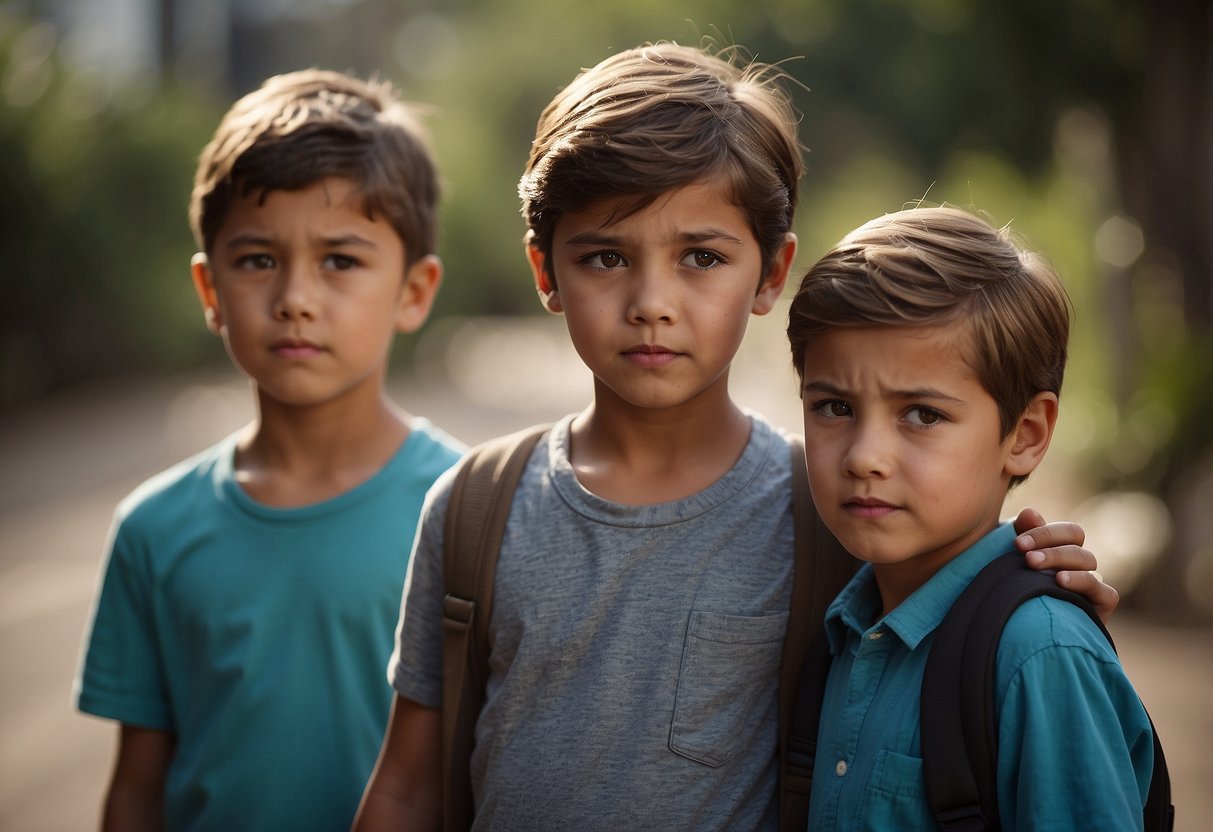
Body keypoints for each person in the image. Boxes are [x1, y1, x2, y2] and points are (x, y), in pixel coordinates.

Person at [354, 44, 1113, 831]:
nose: (652, 302)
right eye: (605, 257)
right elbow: (408, 786)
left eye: (701, 258)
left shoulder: (834, 513)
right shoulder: (477, 507)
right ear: (545, 271)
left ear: (770, 273)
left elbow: (975, 633)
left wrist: (1030, 585)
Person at [74, 70, 465, 830]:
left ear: (414, 291)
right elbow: (136, 787)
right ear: (210, 291)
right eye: (257, 260)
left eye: (340, 261)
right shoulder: (153, 532)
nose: (294, 296)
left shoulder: (468, 507)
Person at [787, 206, 1154, 829]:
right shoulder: (847, 625)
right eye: (832, 406)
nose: (864, 456)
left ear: (1026, 434)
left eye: (922, 415)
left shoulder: (1038, 654)